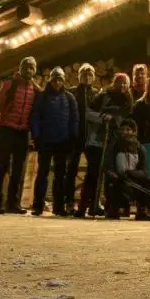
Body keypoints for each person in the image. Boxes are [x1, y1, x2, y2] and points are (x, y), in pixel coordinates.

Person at [74, 72, 134, 218]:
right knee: (93, 174)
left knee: (111, 177)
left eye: (125, 83)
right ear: (115, 82)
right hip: (97, 140)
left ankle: (107, 207)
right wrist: (102, 118)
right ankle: (84, 206)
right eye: (120, 82)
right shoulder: (103, 96)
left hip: (114, 143)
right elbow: (88, 113)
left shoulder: (128, 101)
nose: (123, 85)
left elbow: (127, 121)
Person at [0, 55, 39, 215]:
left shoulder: (34, 88)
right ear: (20, 68)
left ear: (35, 70)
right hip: (7, 130)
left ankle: (12, 203)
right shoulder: (10, 85)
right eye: (26, 66)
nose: (29, 70)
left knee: (18, 169)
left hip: (23, 132)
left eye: (32, 67)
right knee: (2, 166)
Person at [30, 67, 79, 216]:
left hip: (62, 141)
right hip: (45, 140)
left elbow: (74, 119)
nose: (58, 82)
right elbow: (35, 116)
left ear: (63, 81)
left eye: (60, 79)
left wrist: (73, 137)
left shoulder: (69, 98)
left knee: (60, 175)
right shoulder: (42, 97)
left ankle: (58, 207)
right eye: (55, 79)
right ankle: (38, 205)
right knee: (42, 173)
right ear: (51, 80)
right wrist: (36, 136)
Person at [103, 118, 150, 219]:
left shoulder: (139, 148)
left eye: (128, 130)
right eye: (122, 129)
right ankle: (114, 208)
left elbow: (144, 171)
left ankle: (143, 209)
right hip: (119, 179)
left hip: (132, 178)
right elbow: (107, 166)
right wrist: (117, 175)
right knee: (113, 183)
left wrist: (131, 173)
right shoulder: (114, 146)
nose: (125, 132)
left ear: (133, 131)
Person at [63, 64, 98, 216]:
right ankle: (69, 202)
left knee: (94, 171)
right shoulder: (71, 92)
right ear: (79, 76)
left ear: (94, 77)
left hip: (90, 138)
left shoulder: (97, 94)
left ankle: (92, 202)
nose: (87, 76)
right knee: (70, 171)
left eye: (90, 74)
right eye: (84, 73)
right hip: (74, 137)